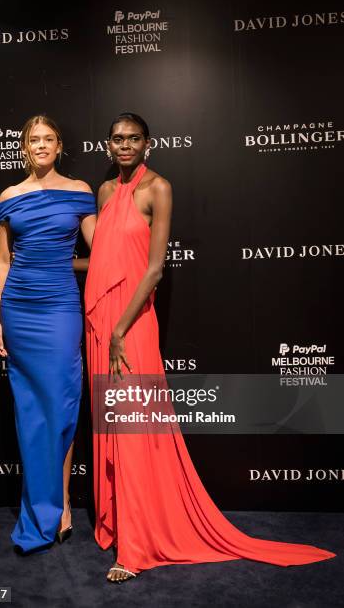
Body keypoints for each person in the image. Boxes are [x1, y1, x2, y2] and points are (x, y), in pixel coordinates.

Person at [84, 112, 335, 582]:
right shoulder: (104, 192)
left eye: (133, 138)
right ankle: (119, 523)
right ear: (107, 145)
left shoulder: (158, 187)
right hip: (100, 321)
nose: (124, 145)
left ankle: (135, 549)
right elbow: (104, 256)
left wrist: (120, 328)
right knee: (113, 424)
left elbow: (155, 268)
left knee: (137, 431)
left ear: (148, 144)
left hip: (132, 323)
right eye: (117, 139)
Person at [0, 114, 96, 553]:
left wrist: (61, 265)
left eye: (48, 138)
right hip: (17, 310)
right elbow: (3, 260)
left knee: (60, 407)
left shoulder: (79, 192)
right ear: (23, 147)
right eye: (33, 140)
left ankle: (63, 502)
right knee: (31, 412)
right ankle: (42, 507)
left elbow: (102, 254)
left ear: (59, 145)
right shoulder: (9, 196)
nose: (40, 145)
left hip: (58, 309)